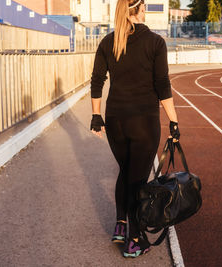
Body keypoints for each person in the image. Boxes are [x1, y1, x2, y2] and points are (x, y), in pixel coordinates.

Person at [89, 0, 180, 258]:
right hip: (143, 121)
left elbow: (97, 80)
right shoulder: (155, 42)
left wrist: (96, 116)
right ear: (141, 10)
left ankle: (121, 225)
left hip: (115, 119)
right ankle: (135, 239)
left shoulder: (109, 41)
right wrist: (173, 121)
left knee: (127, 171)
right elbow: (162, 84)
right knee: (138, 181)